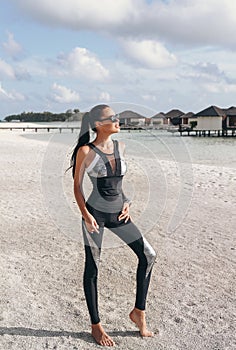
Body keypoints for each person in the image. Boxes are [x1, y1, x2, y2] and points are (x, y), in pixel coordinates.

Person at [71, 104, 156, 346]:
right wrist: (86, 215)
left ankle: (138, 312)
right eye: (113, 118)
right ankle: (96, 326)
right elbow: (76, 187)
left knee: (149, 255)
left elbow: (117, 185)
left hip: (119, 215)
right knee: (94, 267)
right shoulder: (85, 151)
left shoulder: (121, 147)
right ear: (98, 124)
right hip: (95, 216)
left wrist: (127, 202)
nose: (118, 120)